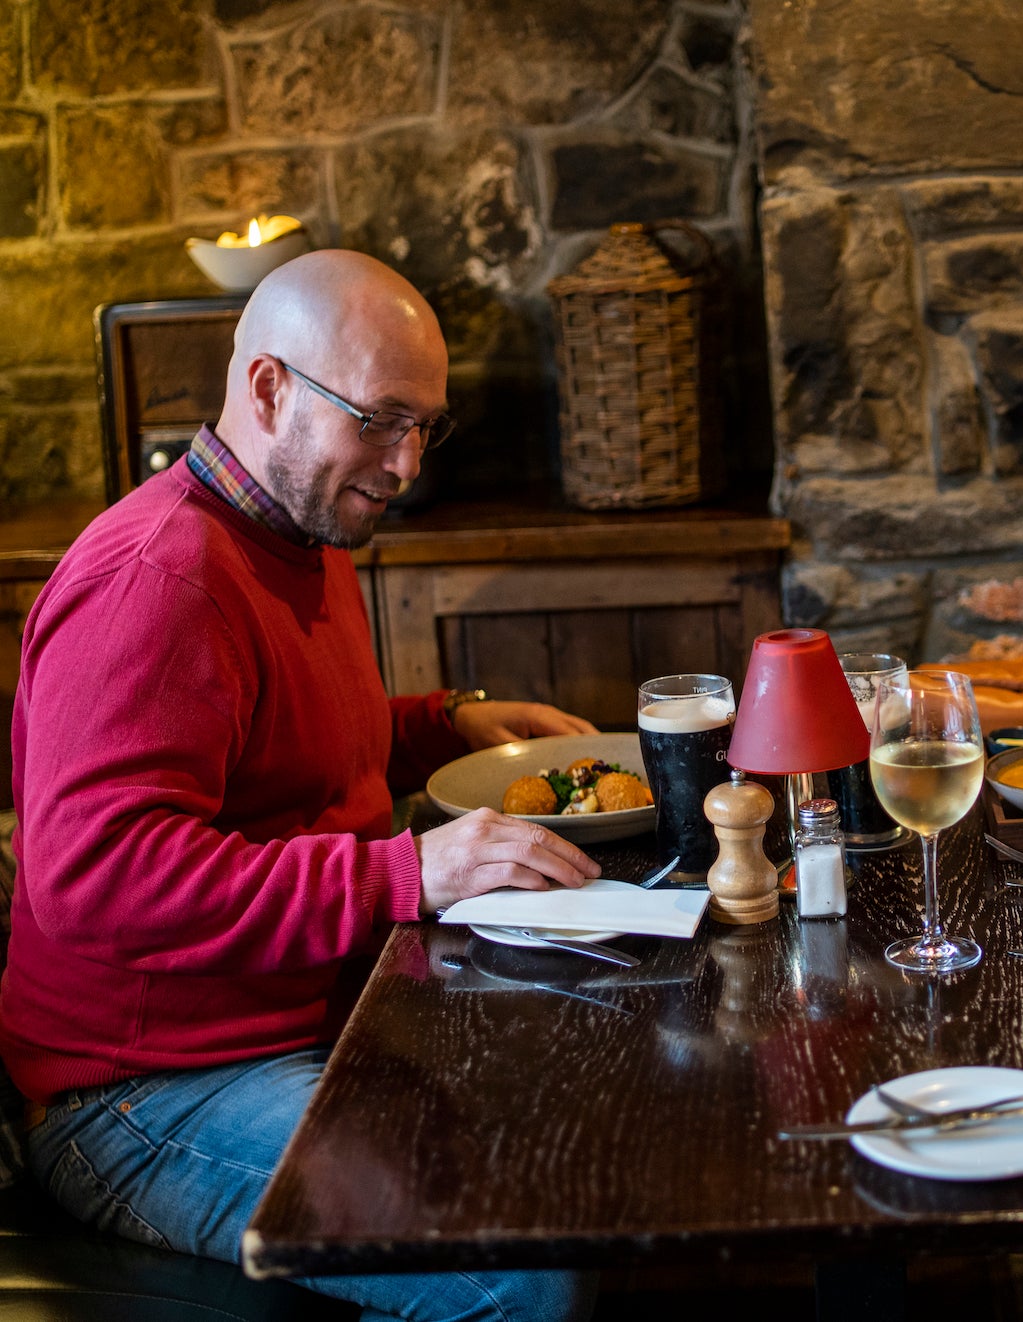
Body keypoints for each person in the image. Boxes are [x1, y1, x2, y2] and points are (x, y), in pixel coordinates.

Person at [2, 250, 605, 1321]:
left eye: (425, 424)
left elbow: (277, 755)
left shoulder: (302, 524)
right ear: (270, 387)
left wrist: (440, 723)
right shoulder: (157, 581)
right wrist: (407, 870)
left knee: (601, 1101)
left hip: (305, 1022)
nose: (406, 460)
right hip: (140, 1095)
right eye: (379, 418)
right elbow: (96, 876)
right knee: (525, 1266)